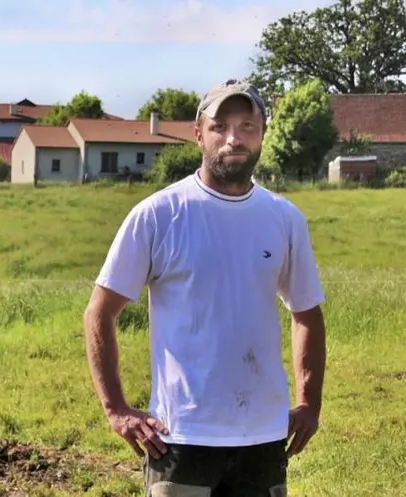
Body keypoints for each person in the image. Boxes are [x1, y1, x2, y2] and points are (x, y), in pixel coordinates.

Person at [82, 79, 327, 497]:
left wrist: (309, 402)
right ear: (199, 134)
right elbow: (99, 313)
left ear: (263, 133)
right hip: (180, 438)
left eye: (248, 126)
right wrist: (116, 409)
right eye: (220, 127)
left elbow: (306, 313)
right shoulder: (158, 215)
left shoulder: (284, 219)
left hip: (263, 440)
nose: (234, 138)